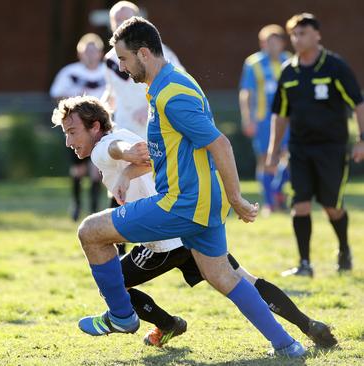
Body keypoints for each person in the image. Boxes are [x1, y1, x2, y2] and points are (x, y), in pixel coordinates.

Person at [71, 16, 305, 357]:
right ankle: (288, 345)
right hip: (201, 203)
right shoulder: (168, 85)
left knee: (90, 230)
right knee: (223, 277)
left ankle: (122, 316)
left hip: (182, 204)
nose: (120, 67)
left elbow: (220, 144)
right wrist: (125, 175)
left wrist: (236, 198)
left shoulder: (171, 94)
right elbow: (167, 150)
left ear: (144, 53)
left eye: (123, 59)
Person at [51, 95, 337, 348]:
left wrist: (125, 155)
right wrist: (127, 170)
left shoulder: (104, 147)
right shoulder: (124, 133)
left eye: (72, 132)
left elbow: (115, 148)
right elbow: (140, 156)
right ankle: (306, 324)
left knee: (113, 283)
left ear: (95, 126)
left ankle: (167, 325)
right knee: (242, 280)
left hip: (163, 240)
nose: (68, 141)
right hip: (188, 229)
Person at [266, 13, 364, 277]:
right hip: (299, 149)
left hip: (332, 148)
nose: (298, 39)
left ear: (317, 35)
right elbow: (280, 113)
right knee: (300, 204)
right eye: (295, 34)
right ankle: (304, 264)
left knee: (332, 207)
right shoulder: (289, 71)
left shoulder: (334, 66)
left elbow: (358, 102)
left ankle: (344, 249)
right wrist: (273, 151)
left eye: (304, 33)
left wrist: (361, 140)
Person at [101, 1, 185, 254]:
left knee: (155, 187)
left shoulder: (161, 52)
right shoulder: (110, 59)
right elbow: (113, 91)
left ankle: (169, 247)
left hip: (153, 133)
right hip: (125, 132)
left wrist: (150, 104)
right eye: (116, 21)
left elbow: (178, 81)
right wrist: (102, 110)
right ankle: (118, 250)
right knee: (119, 183)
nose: (120, 25)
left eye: (125, 19)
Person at [50, 33, 107, 220]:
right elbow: (57, 94)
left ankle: (94, 209)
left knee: (97, 169)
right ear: (80, 53)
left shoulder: (108, 71)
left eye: (94, 50)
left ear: (100, 53)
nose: (90, 55)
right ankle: (76, 204)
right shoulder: (70, 72)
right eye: (86, 51)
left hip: (98, 127)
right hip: (78, 127)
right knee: (78, 169)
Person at [239, 25, 292, 214]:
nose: (272, 47)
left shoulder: (290, 61)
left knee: (290, 157)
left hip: (287, 119)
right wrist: (248, 119)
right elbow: (246, 92)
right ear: (262, 44)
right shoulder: (253, 63)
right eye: (268, 43)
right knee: (265, 160)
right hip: (263, 120)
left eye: (276, 43)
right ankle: (270, 203)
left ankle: (278, 192)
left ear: (282, 43)